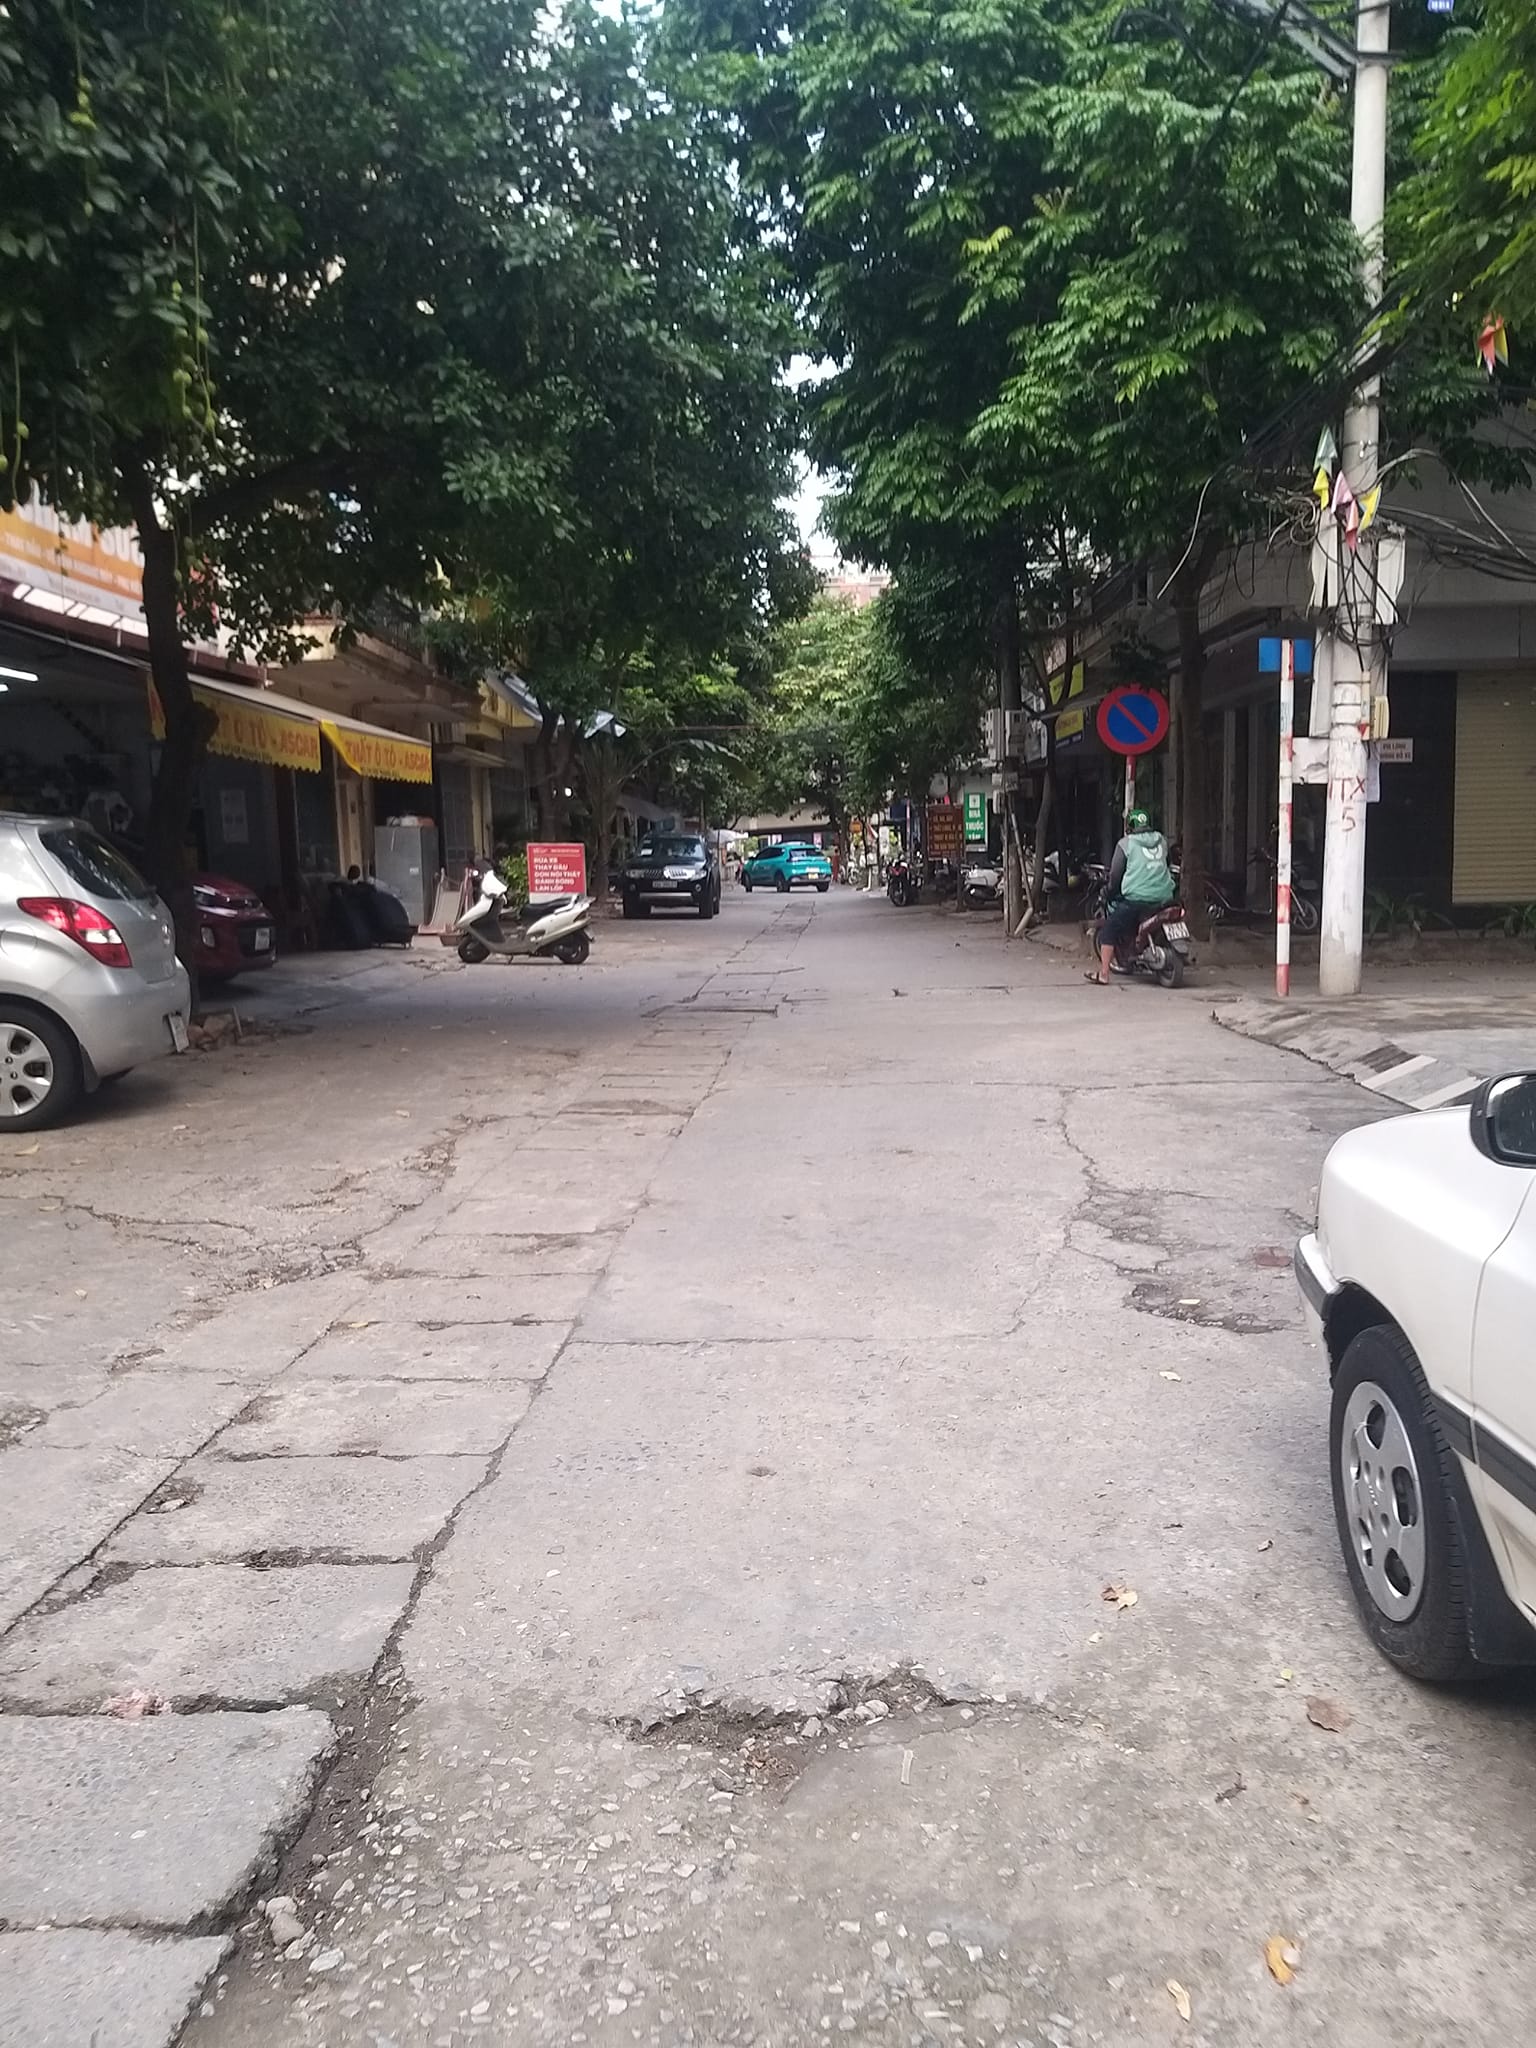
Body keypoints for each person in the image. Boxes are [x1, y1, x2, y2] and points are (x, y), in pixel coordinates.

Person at [1087, 808, 1174, 985]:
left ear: (1129, 826)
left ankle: (1103, 974)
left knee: (1109, 929)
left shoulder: (1126, 844)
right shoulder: (1162, 840)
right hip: (1165, 897)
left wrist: (1109, 891)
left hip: (1137, 899)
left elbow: (1115, 875)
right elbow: (1168, 863)